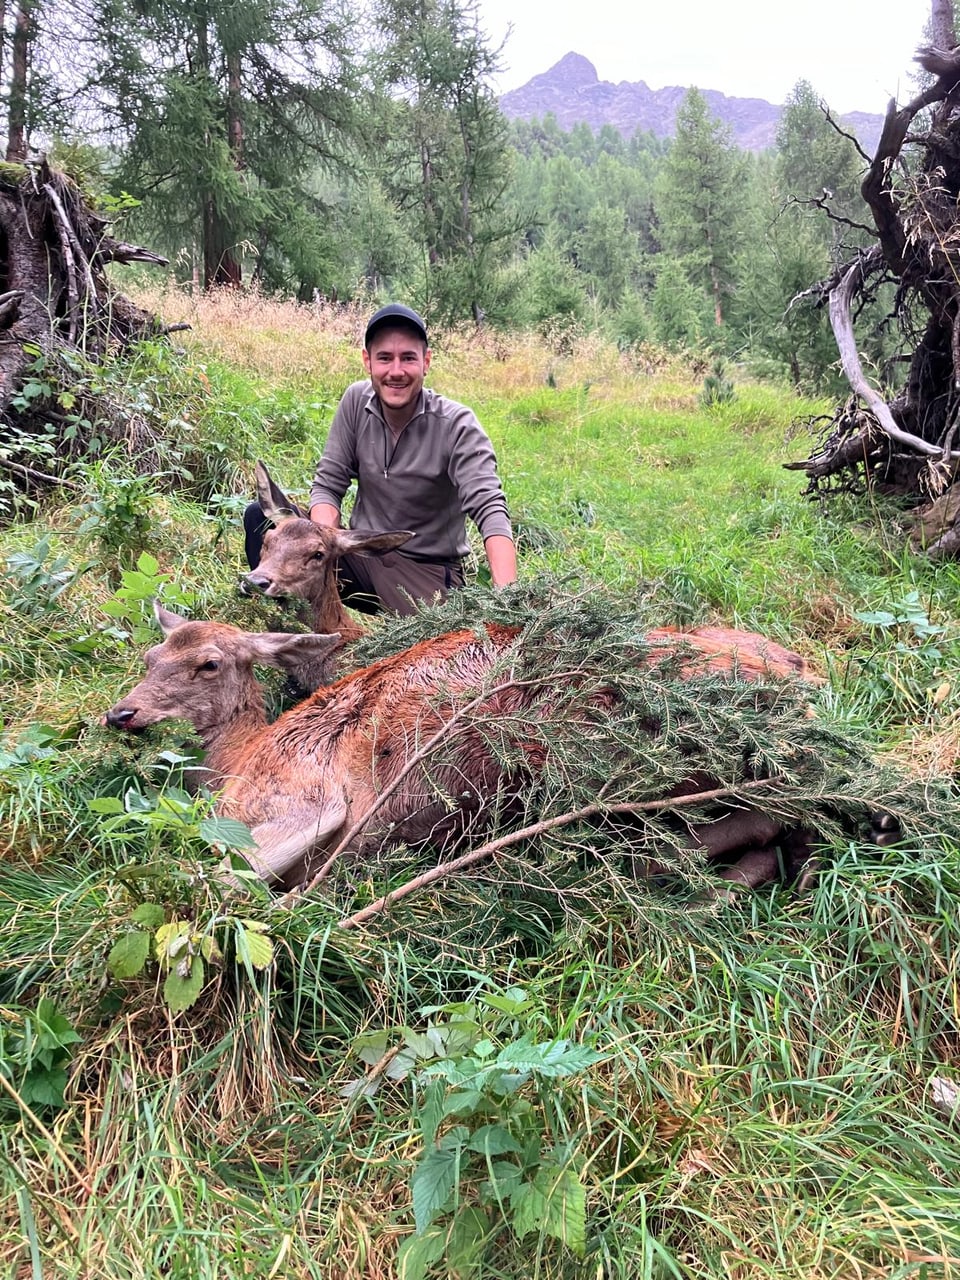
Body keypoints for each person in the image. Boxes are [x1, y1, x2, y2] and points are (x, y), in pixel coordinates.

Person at [244, 302, 516, 615]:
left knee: (426, 655)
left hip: (422, 572)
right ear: (367, 361)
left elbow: (490, 509)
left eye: (408, 358)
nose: (396, 371)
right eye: (385, 358)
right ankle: (295, 633)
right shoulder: (355, 401)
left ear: (426, 362)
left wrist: (506, 600)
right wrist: (321, 544)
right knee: (262, 518)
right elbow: (329, 484)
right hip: (359, 553)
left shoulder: (457, 425)